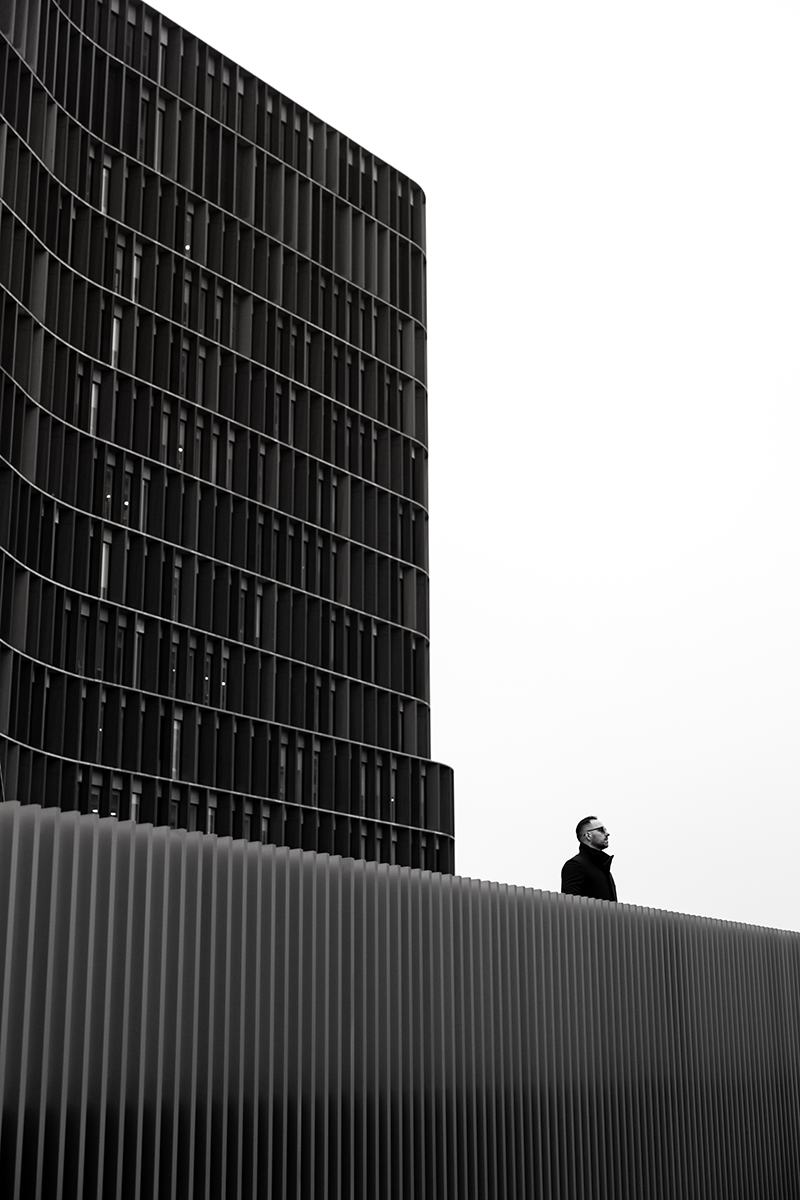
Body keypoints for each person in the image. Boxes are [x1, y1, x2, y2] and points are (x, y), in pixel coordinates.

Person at [561, 816, 617, 901]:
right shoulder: (575, 865)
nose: (607, 833)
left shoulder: (603, 869)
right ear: (588, 835)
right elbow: (569, 906)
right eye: (601, 830)